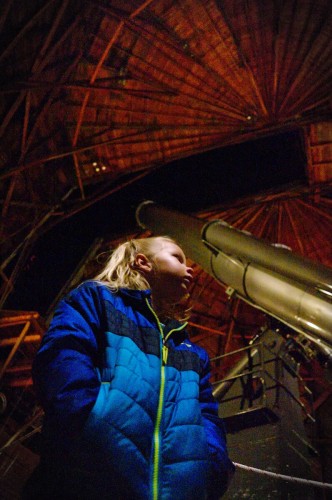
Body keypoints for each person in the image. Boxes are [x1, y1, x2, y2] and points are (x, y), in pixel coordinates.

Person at [25, 236, 234, 499]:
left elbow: (207, 415)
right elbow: (64, 354)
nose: (189, 268)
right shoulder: (96, 298)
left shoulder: (194, 354)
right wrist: (87, 421)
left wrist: (212, 467)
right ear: (143, 262)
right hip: (83, 480)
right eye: (177, 257)